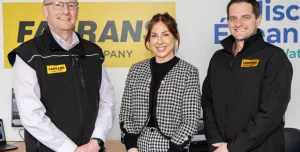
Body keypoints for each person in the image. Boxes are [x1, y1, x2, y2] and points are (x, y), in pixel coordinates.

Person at [7, 0, 116, 152]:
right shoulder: (29, 54)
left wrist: (97, 140)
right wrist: (71, 149)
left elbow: (107, 101)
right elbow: (31, 115)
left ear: (77, 11)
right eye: (57, 4)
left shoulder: (94, 53)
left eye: (71, 5)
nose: (65, 11)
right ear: (45, 11)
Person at [201, 0, 293, 152]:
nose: (238, 23)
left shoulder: (274, 57)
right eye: (233, 18)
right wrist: (215, 142)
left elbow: (271, 113)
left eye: (245, 17)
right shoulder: (218, 58)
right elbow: (207, 102)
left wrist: (233, 148)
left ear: (258, 19)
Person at [119, 12, 201, 152]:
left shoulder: (189, 72)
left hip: (173, 147)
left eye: (165, 34)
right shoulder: (136, 70)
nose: (159, 41)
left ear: (175, 36)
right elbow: (125, 112)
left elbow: (191, 120)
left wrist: (174, 148)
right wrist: (131, 146)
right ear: (148, 40)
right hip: (138, 146)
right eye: (154, 35)